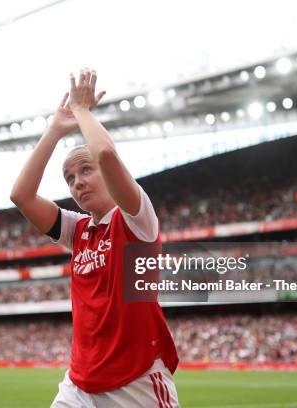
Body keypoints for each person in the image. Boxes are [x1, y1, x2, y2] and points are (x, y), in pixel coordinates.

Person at [11, 68, 180, 407]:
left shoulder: (135, 218)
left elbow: (105, 154)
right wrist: (55, 131)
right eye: (69, 178)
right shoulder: (79, 230)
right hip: (79, 384)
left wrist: (82, 111)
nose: (77, 183)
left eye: (85, 170)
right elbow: (22, 195)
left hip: (136, 382)